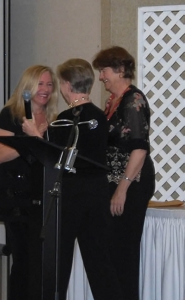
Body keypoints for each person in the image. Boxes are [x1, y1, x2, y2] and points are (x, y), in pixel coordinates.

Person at [51, 58, 124, 300]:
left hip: (70, 196)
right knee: (99, 261)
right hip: (97, 194)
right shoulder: (101, 118)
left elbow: (54, 159)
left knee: (59, 262)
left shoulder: (61, 120)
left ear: (66, 85)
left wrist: (36, 134)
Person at [0, 65, 58, 300]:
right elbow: (1, 156)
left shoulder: (53, 119)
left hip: (43, 199)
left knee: (40, 263)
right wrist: (31, 138)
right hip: (16, 199)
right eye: (40, 84)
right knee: (23, 262)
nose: (46, 89)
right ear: (28, 87)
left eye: (49, 84)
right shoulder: (11, 114)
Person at [92, 46, 156, 300]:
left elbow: (139, 150)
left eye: (104, 70)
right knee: (112, 252)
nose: (101, 77)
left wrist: (121, 188)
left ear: (119, 70)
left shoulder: (134, 100)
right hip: (116, 182)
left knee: (123, 252)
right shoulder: (114, 101)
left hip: (131, 183)